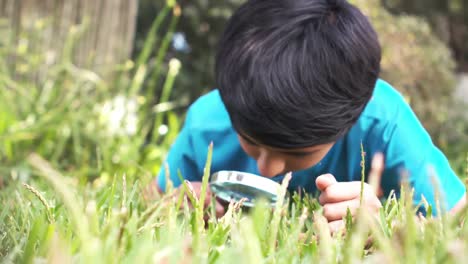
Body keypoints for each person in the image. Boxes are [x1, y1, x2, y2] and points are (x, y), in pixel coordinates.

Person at [153, 0, 466, 228]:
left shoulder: (383, 121)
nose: (267, 168)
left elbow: (456, 218)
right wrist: (172, 203)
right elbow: (152, 196)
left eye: (297, 152)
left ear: (352, 118)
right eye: (250, 140)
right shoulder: (208, 120)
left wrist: (385, 225)